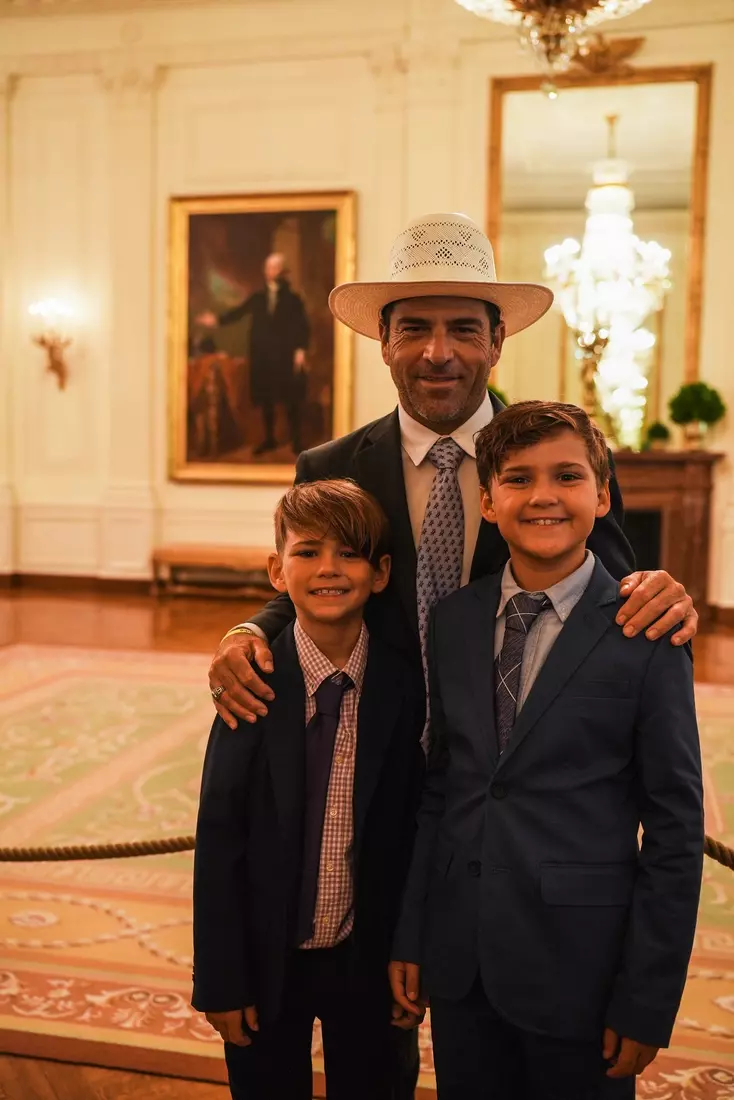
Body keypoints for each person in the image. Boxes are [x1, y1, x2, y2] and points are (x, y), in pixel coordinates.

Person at [208, 211, 697, 736]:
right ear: (384, 340)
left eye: (463, 330)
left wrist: (655, 594)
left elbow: (609, 592)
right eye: (414, 329)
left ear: (497, 340)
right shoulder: (331, 467)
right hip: (376, 742)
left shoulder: (561, 470)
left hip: (510, 746)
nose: (438, 353)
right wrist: (245, 631)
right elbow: (314, 581)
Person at [389, 401, 704, 1100]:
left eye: (567, 476)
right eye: (518, 479)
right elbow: (444, 788)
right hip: (463, 958)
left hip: (580, 968)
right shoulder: (455, 621)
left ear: (602, 494)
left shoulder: (645, 631)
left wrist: (646, 998)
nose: (543, 496)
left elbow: (677, 833)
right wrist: (414, 932)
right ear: (489, 501)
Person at [192, 479, 426, 1100]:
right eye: (307, 552)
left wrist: (413, 945)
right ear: (276, 569)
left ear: (380, 574)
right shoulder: (251, 684)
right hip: (267, 962)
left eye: (349, 554)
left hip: (368, 958)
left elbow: (417, 832)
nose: (328, 569)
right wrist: (221, 979)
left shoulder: (406, 690)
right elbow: (219, 838)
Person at [198, 252, 310, 455]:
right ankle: (269, 439)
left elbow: (302, 326)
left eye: (275, 268)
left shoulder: (293, 299)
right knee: (266, 396)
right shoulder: (258, 297)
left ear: (283, 271)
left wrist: (300, 350)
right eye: (268, 268)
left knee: (290, 397)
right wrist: (216, 320)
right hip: (262, 355)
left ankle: (296, 440)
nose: (270, 272)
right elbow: (238, 312)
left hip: (284, 355)